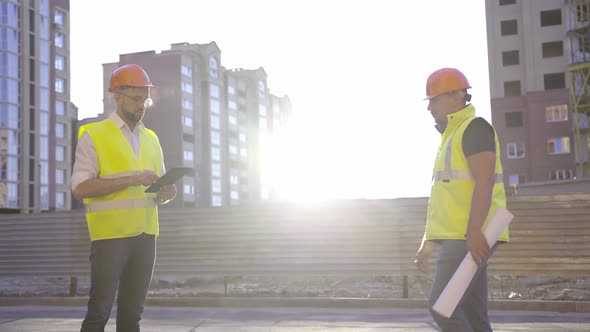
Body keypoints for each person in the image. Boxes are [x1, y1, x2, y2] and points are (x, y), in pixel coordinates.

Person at [71, 63, 177, 332]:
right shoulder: (94, 135)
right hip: (110, 237)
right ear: (117, 96)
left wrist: (166, 193)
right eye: (136, 99)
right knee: (99, 313)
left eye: (146, 100)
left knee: (133, 316)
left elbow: (155, 192)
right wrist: (131, 180)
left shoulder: (152, 138)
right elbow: (80, 188)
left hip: (146, 235)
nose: (142, 105)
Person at [414, 67, 509, 331]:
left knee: (442, 308)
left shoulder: (474, 128)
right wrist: (428, 243)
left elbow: (485, 180)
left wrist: (475, 231)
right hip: (463, 233)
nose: (429, 106)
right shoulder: (450, 136)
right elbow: (444, 201)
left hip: (469, 234)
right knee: (472, 312)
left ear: (456, 96)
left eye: (434, 99)